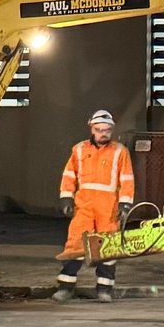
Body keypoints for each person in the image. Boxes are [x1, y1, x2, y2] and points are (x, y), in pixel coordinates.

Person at [56, 109, 134, 303]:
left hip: (108, 209)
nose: (103, 133)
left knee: (107, 249)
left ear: (112, 130)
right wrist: (66, 198)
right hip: (84, 207)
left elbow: (127, 180)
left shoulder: (120, 152)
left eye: (107, 130)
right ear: (91, 128)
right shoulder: (79, 150)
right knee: (75, 245)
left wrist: (125, 205)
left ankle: (104, 290)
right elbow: (69, 175)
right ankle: (66, 287)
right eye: (99, 129)